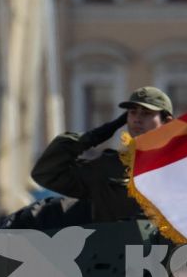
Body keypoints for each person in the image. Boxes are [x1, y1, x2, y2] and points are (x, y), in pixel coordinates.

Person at [32, 87, 174, 221]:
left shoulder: (181, 165)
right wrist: (96, 135)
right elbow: (47, 173)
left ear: (167, 122)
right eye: (132, 112)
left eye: (146, 113)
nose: (137, 119)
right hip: (115, 245)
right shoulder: (110, 166)